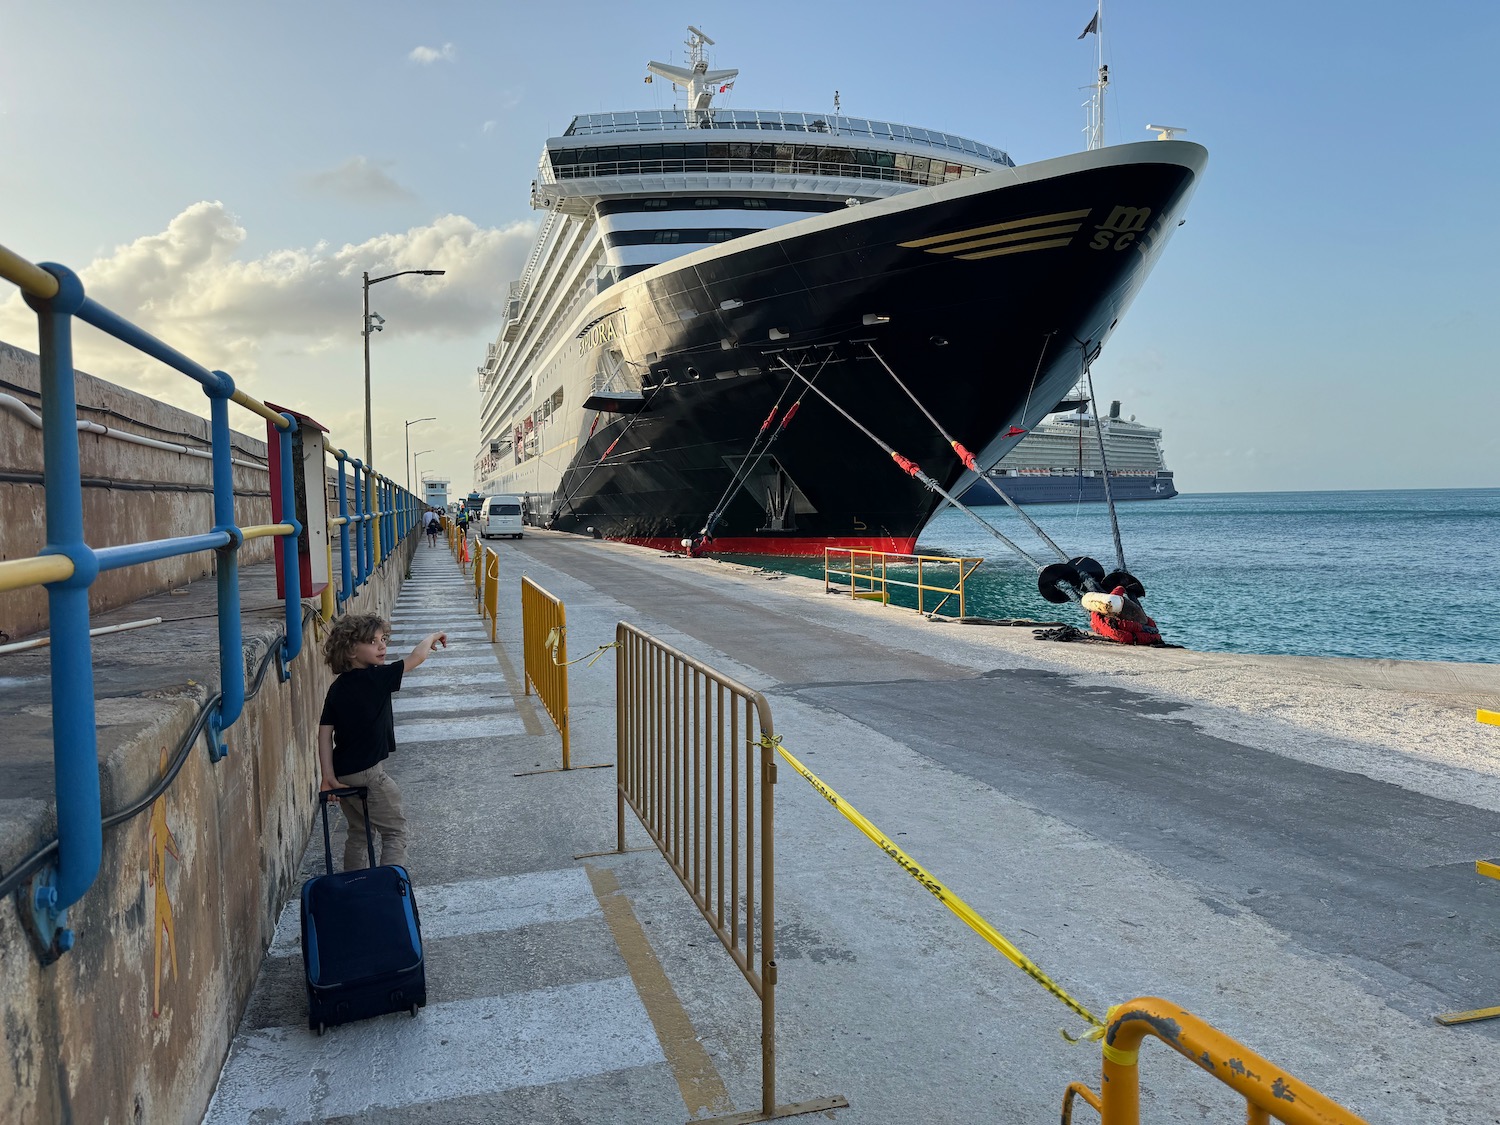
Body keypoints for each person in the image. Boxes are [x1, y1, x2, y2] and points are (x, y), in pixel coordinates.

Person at [317, 614, 448, 871]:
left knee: (359, 833)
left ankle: (353, 887)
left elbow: (324, 732)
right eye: (372, 641)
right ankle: (391, 891)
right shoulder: (376, 679)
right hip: (369, 774)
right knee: (394, 832)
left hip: (343, 772)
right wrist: (432, 637)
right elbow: (417, 658)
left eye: (383, 639)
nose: (382, 646)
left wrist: (327, 776)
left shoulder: (337, 688)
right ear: (352, 651)